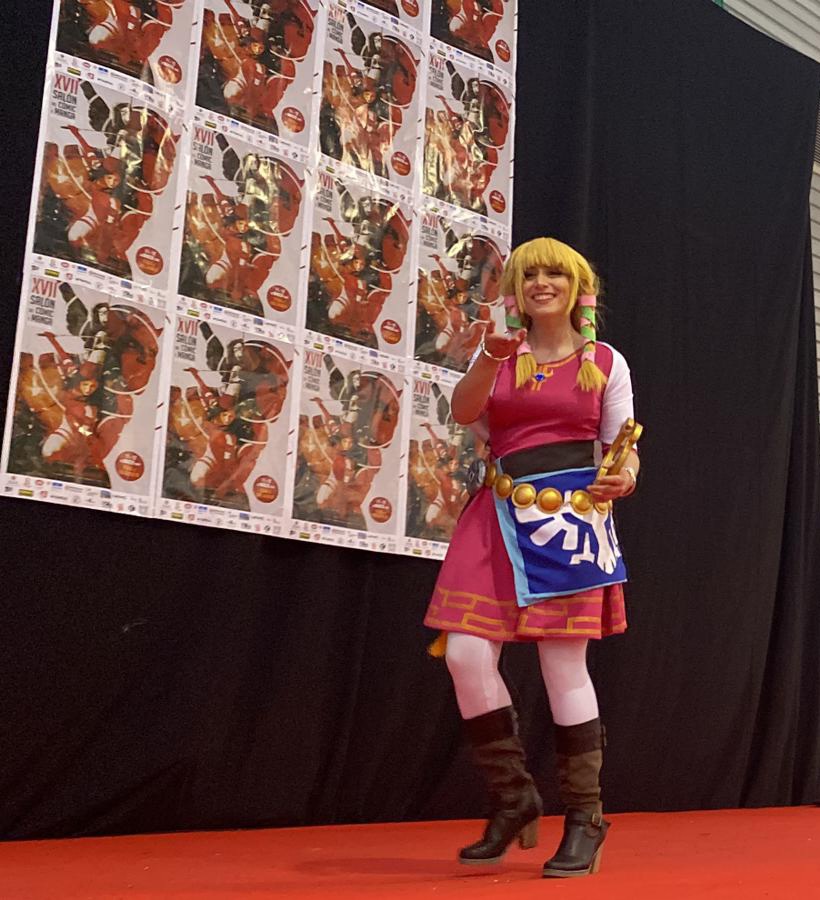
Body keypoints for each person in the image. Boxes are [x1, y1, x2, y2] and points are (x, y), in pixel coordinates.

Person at [424, 236, 639, 878]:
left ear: (577, 289)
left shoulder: (606, 361)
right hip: (494, 516)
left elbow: (623, 444)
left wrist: (624, 476)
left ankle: (585, 818)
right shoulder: (499, 353)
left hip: (567, 521)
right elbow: (463, 411)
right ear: (515, 290)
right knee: (465, 654)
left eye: (555, 274)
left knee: (562, 665)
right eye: (529, 275)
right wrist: (490, 360)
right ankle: (514, 797)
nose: (542, 283)